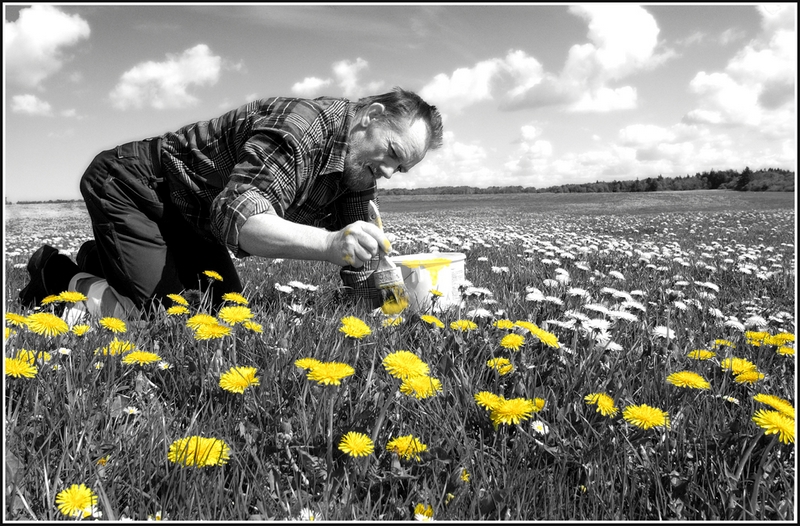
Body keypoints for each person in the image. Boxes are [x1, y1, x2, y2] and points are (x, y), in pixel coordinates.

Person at [19, 87, 443, 318]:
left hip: (191, 215)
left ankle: (106, 256)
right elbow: (239, 214)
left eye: (401, 168)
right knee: (167, 324)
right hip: (134, 185)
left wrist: (399, 306)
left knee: (226, 313)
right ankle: (55, 273)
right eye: (391, 152)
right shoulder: (301, 129)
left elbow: (364, 260)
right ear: (369, 117)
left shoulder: (357, 168)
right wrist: (331, 245)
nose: (389, 172)